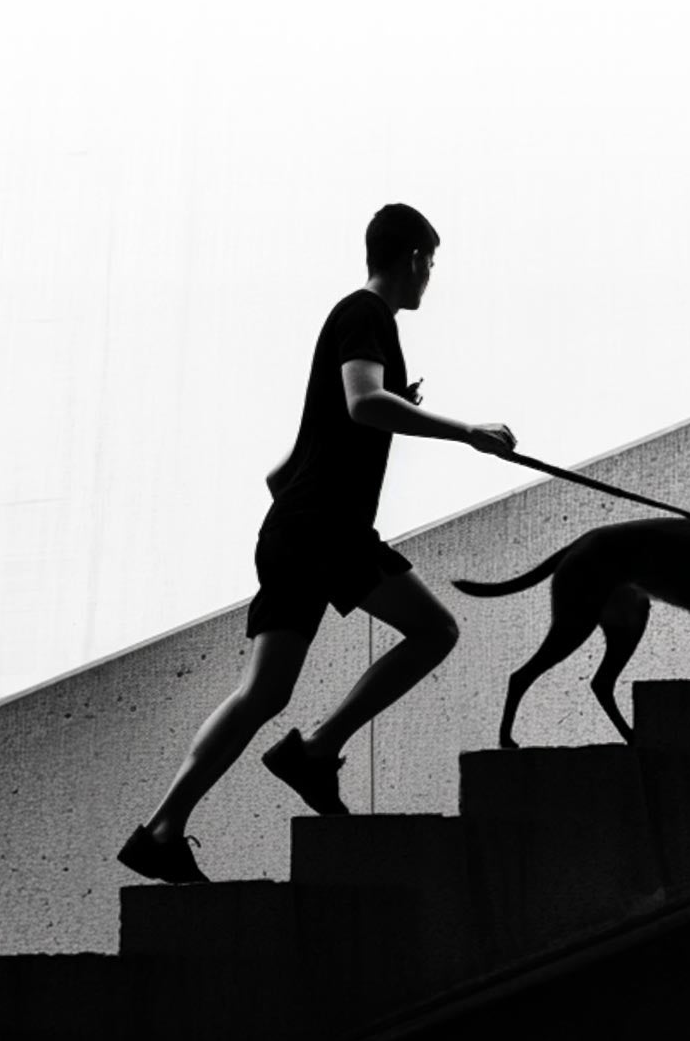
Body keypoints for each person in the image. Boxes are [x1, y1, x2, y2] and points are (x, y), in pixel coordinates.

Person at [117, 203, 515, 883]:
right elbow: (364, 402)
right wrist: (467, 433)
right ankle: (318, 749)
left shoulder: (353, 320)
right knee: (436, 630)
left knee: (261, 692)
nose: (430, 276)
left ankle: (162, 829)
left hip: (295, 529)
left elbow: (287, 469)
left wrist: (325, 489)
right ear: (413, 257)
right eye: (431, 263)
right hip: (326, 528)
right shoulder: (366, 314)